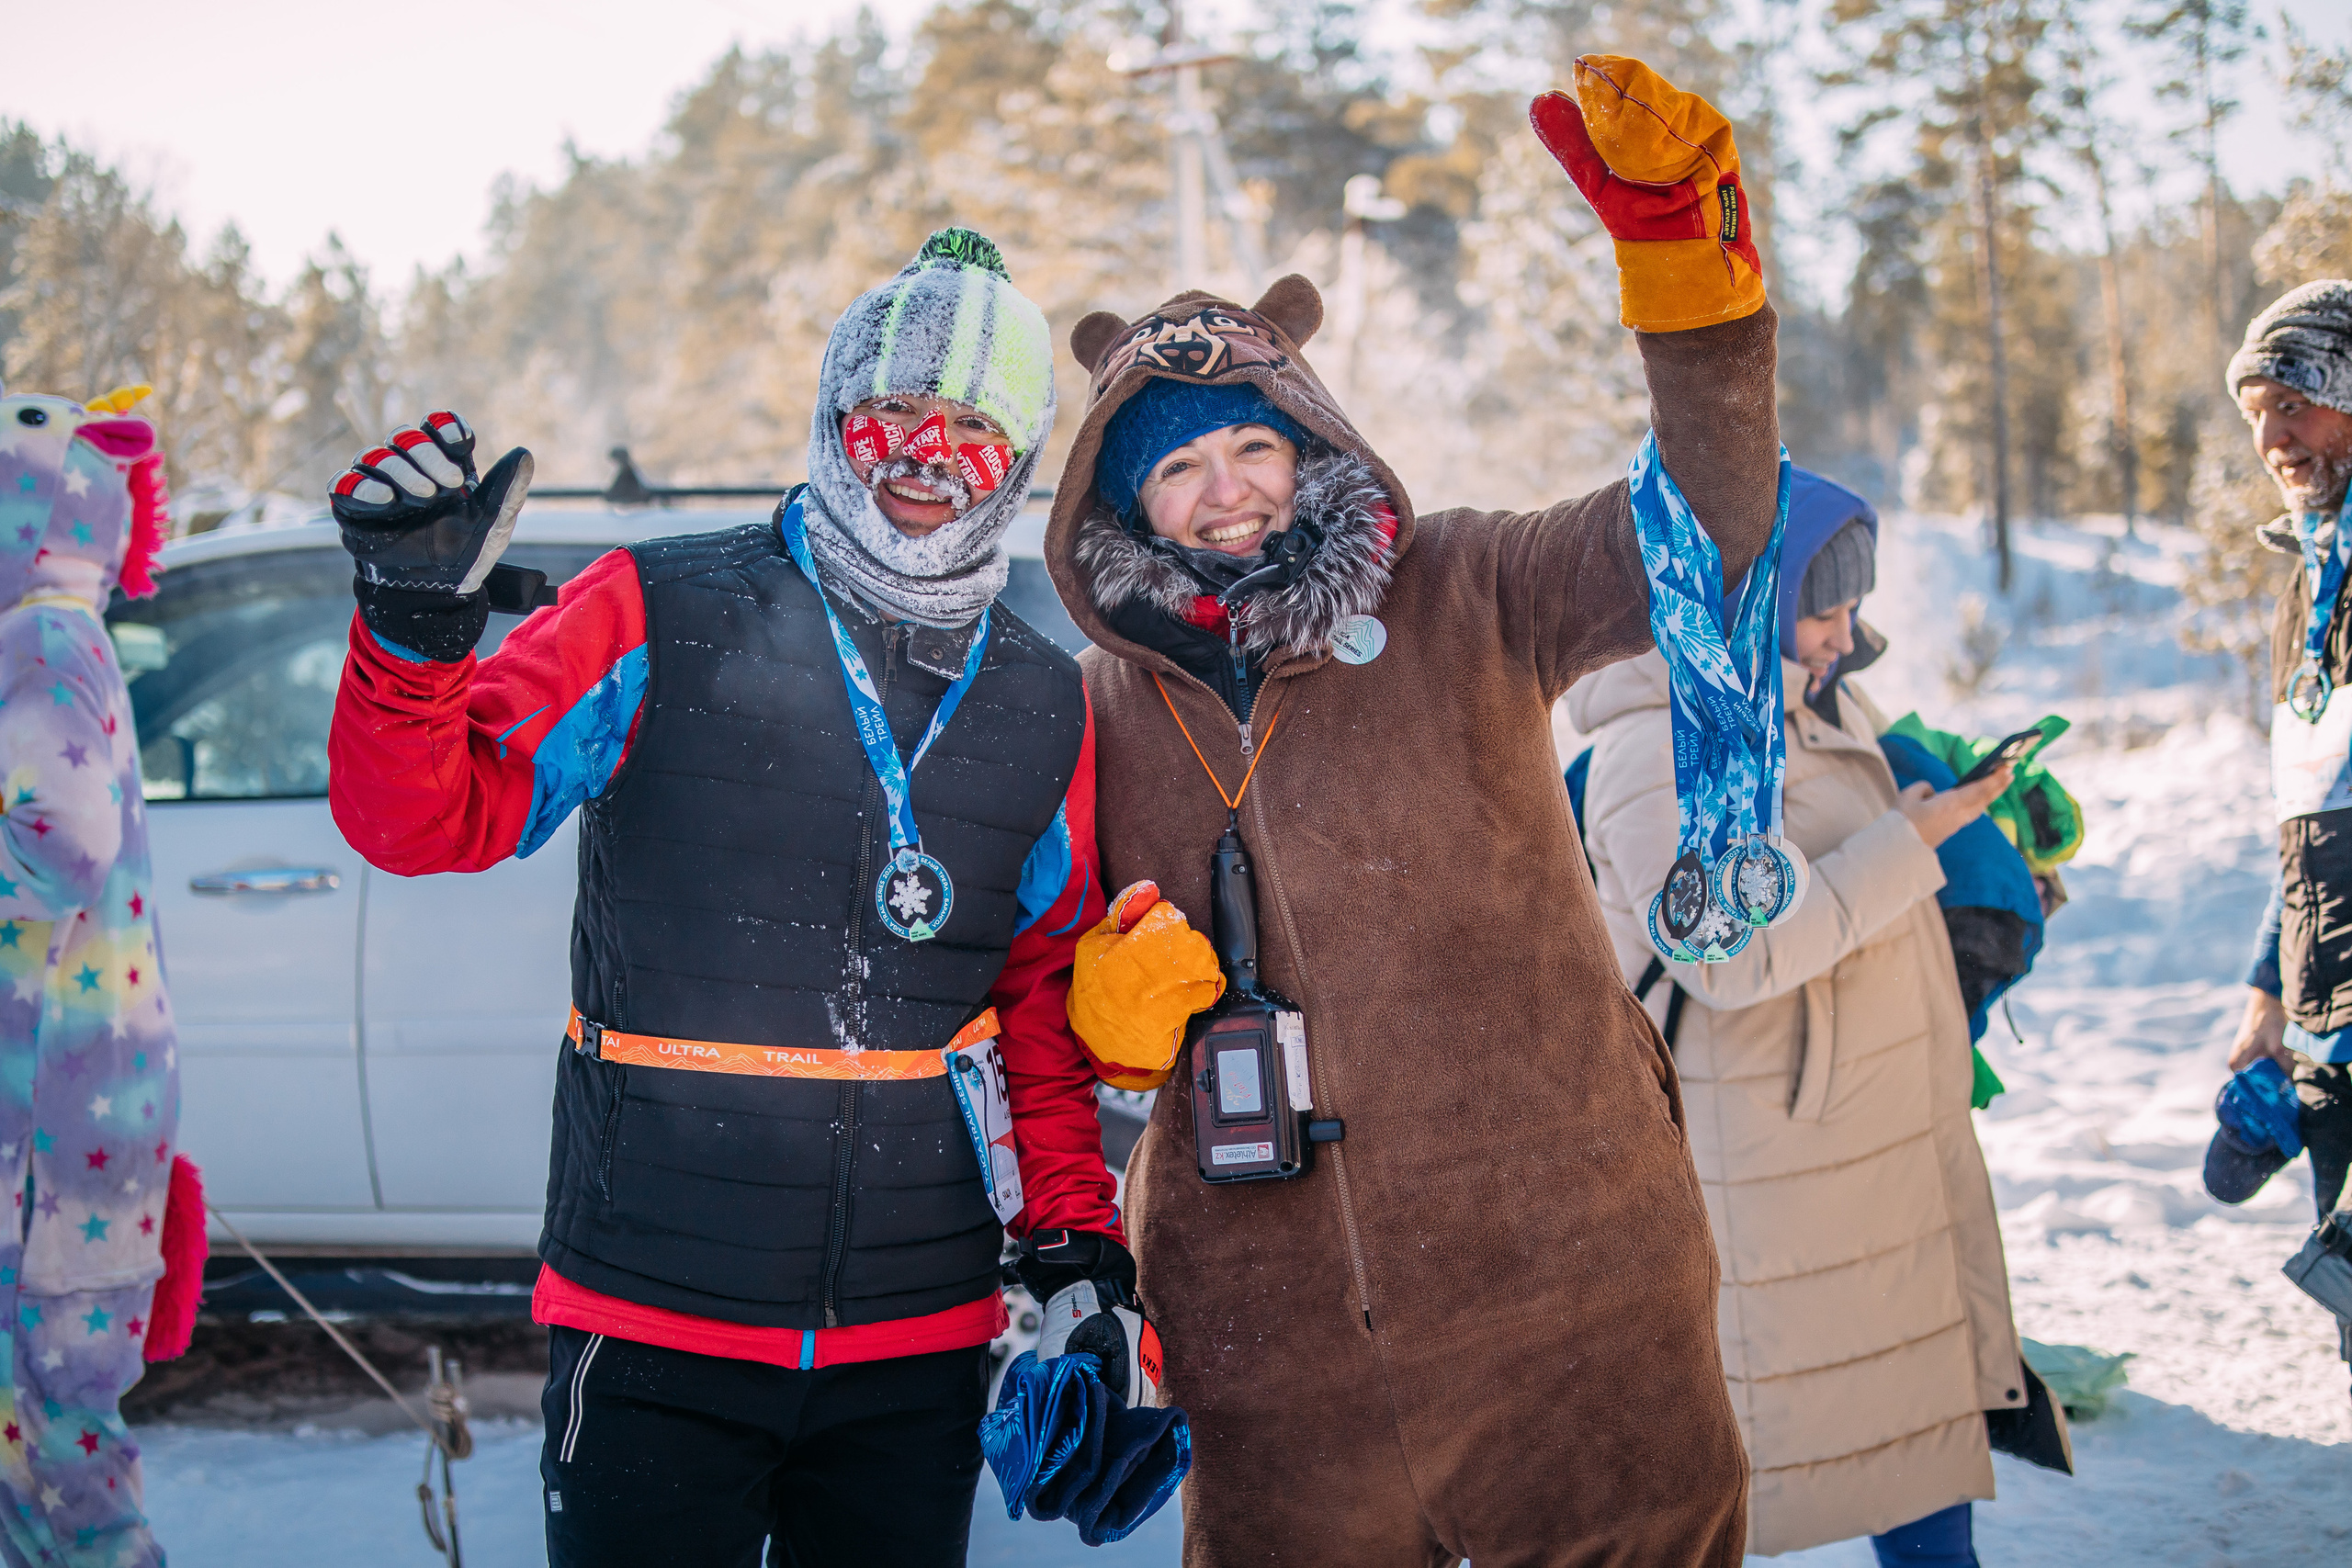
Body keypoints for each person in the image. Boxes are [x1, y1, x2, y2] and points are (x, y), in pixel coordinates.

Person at [326, 230, 1145, 1567]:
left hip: (916, 1337)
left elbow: (1037, 1009)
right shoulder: (657, 604)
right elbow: (424, 820)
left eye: (975, 431)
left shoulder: (1044, 695)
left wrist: (1073, 1240)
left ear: (1021, 457)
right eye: (894, 413)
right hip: (653, 1310)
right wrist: (412, 633)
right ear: (833, 413)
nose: (927, 457)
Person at [1046, 56, 1764, 1564]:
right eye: (1178, 466)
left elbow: (1706, 526)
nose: (1227, 491)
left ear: (1310, 443)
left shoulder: (1471, 587)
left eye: (1253, 444)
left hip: (1571, 1298)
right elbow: (1037, 988)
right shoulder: (1091, 709)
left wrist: (1684, 282)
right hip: (1276, 1356)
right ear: (1122, 503)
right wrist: (1105, 1018)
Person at [1570, 468, 2067, 1563]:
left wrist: (1956, 831)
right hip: (1777, 1176)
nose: (1846, 636)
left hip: (1864, 1157)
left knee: (1916, 1455)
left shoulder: (1797, 701)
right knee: (1763, 1478)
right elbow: (1729, 958)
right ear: (1746, 598)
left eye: (1853, 608)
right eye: (1823, 609)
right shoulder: (1656, 745)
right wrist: (1909, 841)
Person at [0, 387, 182, 1568]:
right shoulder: (64, 632)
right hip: (88, 1107)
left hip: (57, 1132)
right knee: (49, 1428)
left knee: (51, 1436)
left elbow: (58, 840)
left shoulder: (36, 640)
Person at [2215, 279, 2352, 1229]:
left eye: (2295, 403)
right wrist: (2270, 999)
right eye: (2258, 414)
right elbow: (2313, 816)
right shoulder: (2306, 596)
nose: (2273, 440)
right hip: (2329, 1037)